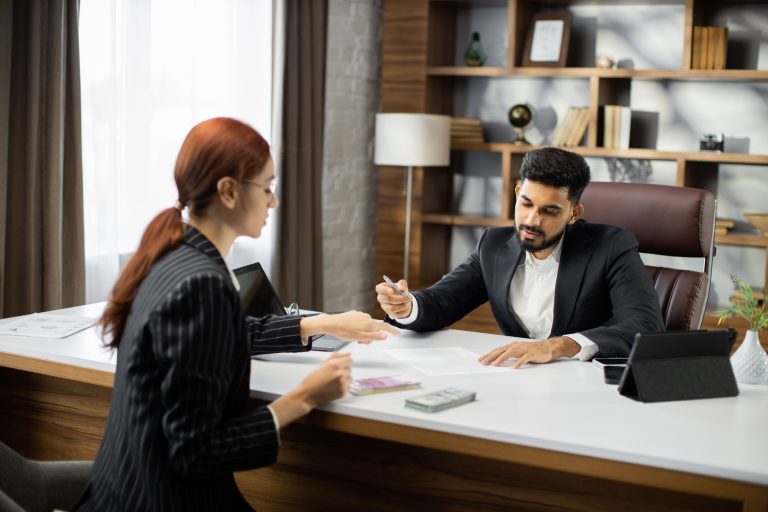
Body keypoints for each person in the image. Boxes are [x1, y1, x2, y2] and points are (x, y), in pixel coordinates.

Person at [75, 117, 398, 511]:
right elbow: (194, 453)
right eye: (268, 188)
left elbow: (226, 334)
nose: (274, 202)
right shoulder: (203, 284)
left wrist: (323, 322)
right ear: (229, 191)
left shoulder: (172, 255)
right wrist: (303, 398)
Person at [376, 147, 663, 368]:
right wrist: (407, 306)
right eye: (526, 203)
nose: (532, 220)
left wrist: (558, 346)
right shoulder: (494, 245)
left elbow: (645, 326)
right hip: (518, 378)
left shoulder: (611, 245)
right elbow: (441, 302)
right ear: (517, 193)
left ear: (574, 214)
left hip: (587, 387)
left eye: (550, 211)